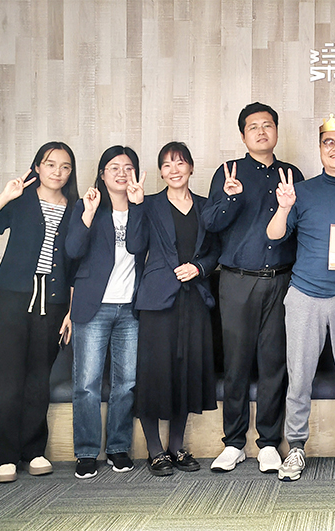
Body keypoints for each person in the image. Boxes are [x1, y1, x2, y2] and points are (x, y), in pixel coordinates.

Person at [266, 110, 335, 482]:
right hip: (305, 296)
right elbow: (273, 235)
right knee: (299, 377)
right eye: (329, 142)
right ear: (319, 148)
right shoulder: (301, 191)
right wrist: (284, 207)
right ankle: (296, 447)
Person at [0, 142, 79, 483]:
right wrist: (5, 196)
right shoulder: (21, 201)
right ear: (37, 167)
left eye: (65, 166)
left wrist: (70, 312)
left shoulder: (76, 208)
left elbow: (76, 265)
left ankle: (34, 451)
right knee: (7, 379)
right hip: (12, 301)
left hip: (54, 303)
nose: (57, 172)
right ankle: (5, 457)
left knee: (38, 380)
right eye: (50, 164)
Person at [202, 102, 304, 474]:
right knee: (236, 364)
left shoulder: (292, 174)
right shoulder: (229, 172)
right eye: (253, 127)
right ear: (243, 136)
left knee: (274, 364)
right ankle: (233, 443)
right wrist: (231, 196)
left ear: (276, 130)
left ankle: (269, 443)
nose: (261, 132)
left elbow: (301, 225)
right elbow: (210, 223)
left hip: (281, 281)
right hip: (236, 281)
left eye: (267, 125)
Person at [126, 142, 220, 476]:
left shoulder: (206, 207)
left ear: (191, 167)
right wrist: (136, 206)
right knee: (153, 374)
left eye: (180, 163)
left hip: (194, 297)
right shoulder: (149, 204)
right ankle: (155, 450)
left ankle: (176, 447)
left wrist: (199, 268)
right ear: (161, 172)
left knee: (187, 372)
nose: (174, 170)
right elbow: (135, 245)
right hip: (157, 300)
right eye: (166, 165)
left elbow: (215, 251)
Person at [67, 146, 147, 479]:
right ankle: (86, 452)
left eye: (128, 167)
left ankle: (118, 447)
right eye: (114, 167)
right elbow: (72, 250)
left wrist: (138, 206)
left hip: (130, 308)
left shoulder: (143, 206)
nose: (121, 173)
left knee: (126, 383)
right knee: (86, 384)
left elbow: (138, 246)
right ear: (102, 174)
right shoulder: (87, 206)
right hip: (93, 306)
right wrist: (87, 214)